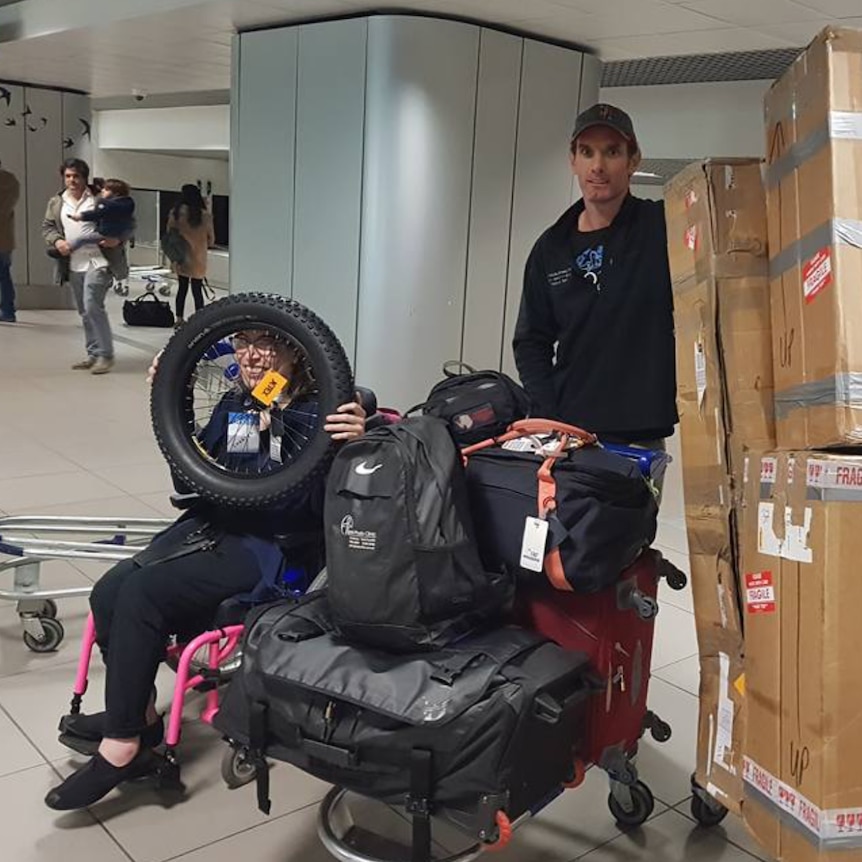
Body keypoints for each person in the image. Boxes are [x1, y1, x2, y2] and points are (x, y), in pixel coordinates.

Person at [44, 331, 367, 811]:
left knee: (144, 594)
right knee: (110, 591)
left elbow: (320, 500)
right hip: (214, 527)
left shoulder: (326, 410)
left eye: (266, 344)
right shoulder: (242, 402)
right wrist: (174, 397)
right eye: (242, 344)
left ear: (295, 349)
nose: (251, 355)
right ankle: (139, 716)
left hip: (273, 546)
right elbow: (193, 480)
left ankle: (123, 747)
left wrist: (355, 442)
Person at [512, 103, 677, 453]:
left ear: (633, 160)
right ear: (573, 160)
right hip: (571, 434)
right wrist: (548, 417)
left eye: (612, 152)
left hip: (639, 432)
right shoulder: (550, 248)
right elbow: (530, 341)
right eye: (587, 153)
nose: (597, 166)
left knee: (637, 510)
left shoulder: (662, 227)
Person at [42, 158, 129, 375]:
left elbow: (127, 223)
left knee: (92, 305)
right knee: (84, 310)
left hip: (100, 260)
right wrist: (57, 241)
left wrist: (117, 239)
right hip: (74, 263)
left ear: (84, 177)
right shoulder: (57, 202)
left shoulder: (100, 198)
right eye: (68, 176)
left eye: (76, 176)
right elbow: (48, 227)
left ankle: (106, 355)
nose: (72, 180)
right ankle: (93, 353)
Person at [167, 184, 214, 326]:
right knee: (197, 290)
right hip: (198, 257)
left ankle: (179, 319)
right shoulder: (204, 215)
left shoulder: (175, 213)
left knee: (182, 288)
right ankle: (199, 320)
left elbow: (169, 233)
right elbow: (211, 239)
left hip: (181, 256)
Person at [61, 178, 136, 253]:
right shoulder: (123, 204)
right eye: (67, 176)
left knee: (82, 239)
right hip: (83, 253)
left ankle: (68, 249)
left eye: (106, 189)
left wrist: (119, 240)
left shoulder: (109, 205)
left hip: (106, 243)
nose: (102, 191)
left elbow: (96, 214)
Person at [0, 160, 20, 323]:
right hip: (5, 237)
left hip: (2, 237)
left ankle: (7, 310)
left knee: (3, 273)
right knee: (4, 273)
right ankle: (8, 310)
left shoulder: (7, 181)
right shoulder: (11, 181)